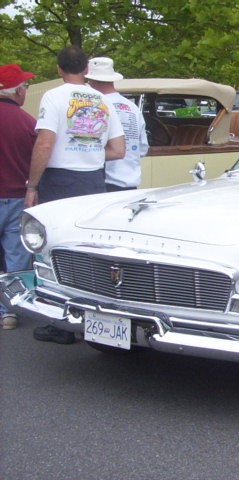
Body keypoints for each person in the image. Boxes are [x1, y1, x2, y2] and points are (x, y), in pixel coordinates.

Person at [27, 46, 125, 344]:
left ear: (59, 69)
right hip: (94, 180)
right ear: (86, 69)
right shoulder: (102, 100)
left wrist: (32, 185)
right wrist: (89, 151)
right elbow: (118, 149)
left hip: (60, 180)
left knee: (54, 249)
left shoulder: (54, 97)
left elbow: (45, 143)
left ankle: (60, 323)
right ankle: (95, 315)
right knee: (88, 249)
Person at [0, 64, 37, 330]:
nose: (25, 90)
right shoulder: (28, 122)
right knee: (16, 257)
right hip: (17, 196)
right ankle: (9, 311)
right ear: (17, 91)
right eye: (24, 86)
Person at [85, 57, 148, 191]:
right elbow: (142, 148)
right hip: (130, 183)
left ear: (92, 80)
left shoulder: (96, 106)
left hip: (104, 181)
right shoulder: (132, 108)